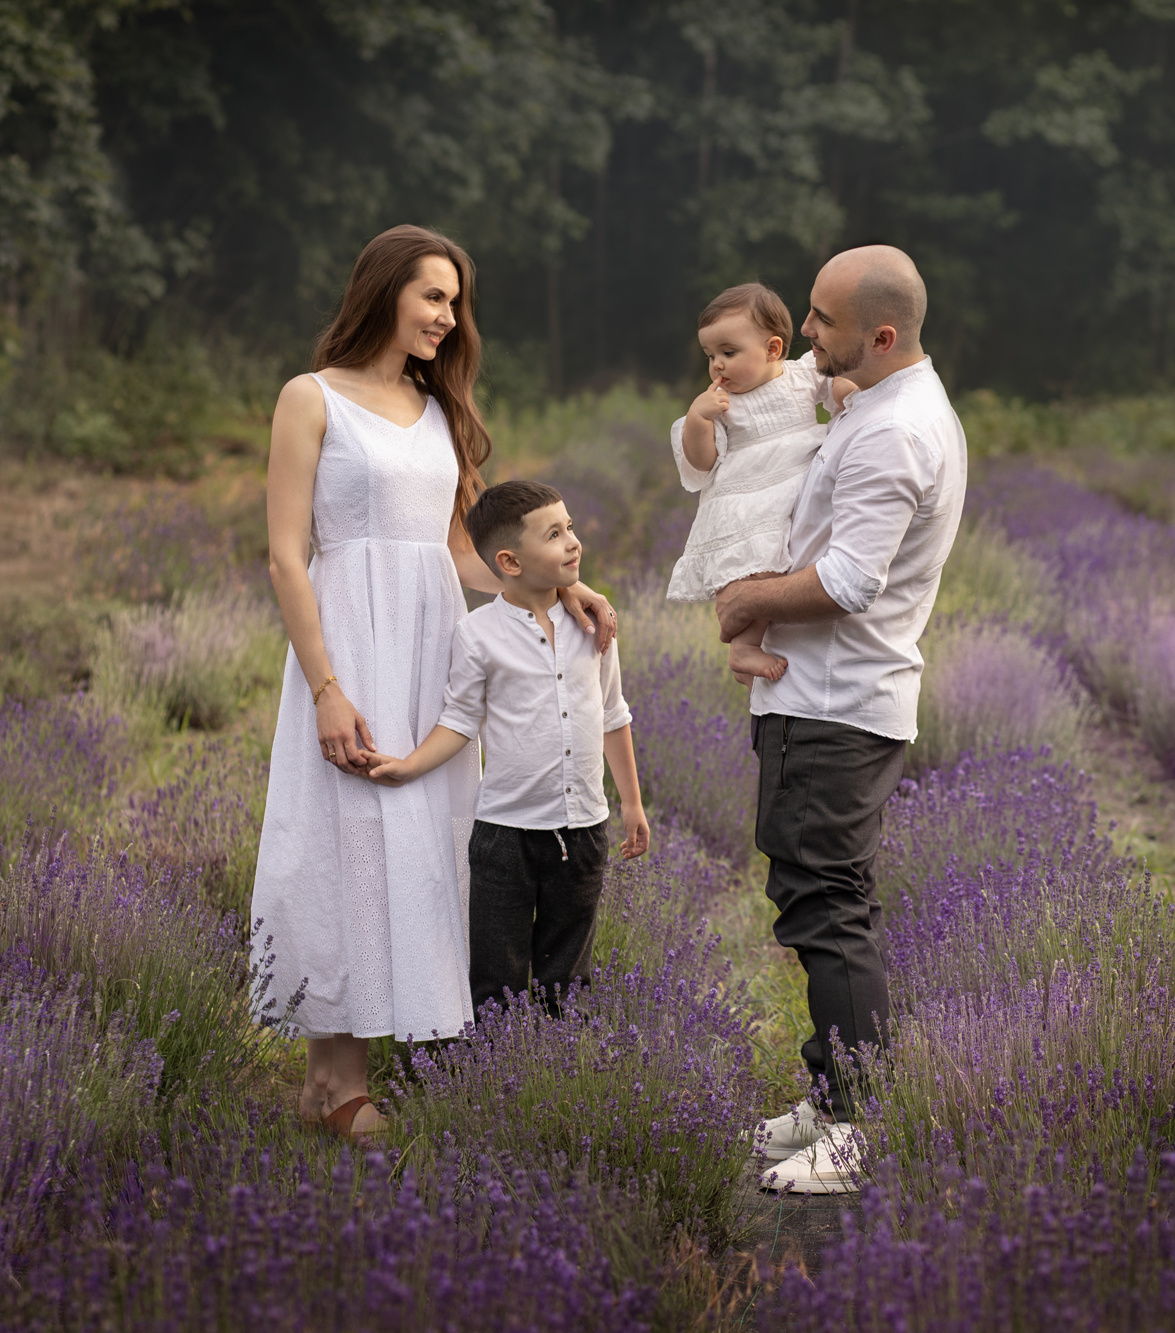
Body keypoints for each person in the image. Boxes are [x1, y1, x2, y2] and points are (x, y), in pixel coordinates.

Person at [250, 225, 617, 1142]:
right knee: (345, 835)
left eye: (456, 304)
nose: (450, 320)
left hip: (434, 647)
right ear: (384, 291)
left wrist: (562, 587)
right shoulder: (312, 398)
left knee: (426, 844)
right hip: (347, 643)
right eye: (434, 298)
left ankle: (399, 1046)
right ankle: (332, 1080)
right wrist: (327, 684)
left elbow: (461, 551)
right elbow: (287, 557)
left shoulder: (439, 408)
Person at [714, 246, 967, 1193]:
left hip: (836, 706)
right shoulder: (875, 408)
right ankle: (831, 1098)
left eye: (820, 320)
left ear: (882, 334)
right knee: (826, 900)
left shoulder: (894, 432)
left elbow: (853, 579)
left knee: (829, 913)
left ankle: (857, 1129)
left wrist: (746, 604)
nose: (806, 334)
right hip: (826, 699)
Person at [369, 480, 651, 1018]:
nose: (572, 542)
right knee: (497, 978)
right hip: (506, 836)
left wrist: (632, 804)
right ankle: (492, 1086)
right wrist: (408, 766)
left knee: (568, 977)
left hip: (584, 827)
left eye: (569, 527)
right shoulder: (477, 635)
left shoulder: (594, 623)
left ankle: (559, 1080)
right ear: (510, 561)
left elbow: (614, 713)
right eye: (554, 534)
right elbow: (459, 720)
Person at [667, 283, 854, 682]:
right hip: (749, 499)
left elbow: (835, 384)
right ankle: (744, 647)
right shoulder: (721, 405)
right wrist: (699, 420)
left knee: (795, 565)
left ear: (772, 350)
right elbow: (702, 463)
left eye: (728, 353)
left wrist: (847, 390)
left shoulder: (802, 374)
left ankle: (757, 645)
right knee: (756, 571)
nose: (717, 365)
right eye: (710, 355)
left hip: (793, 483)